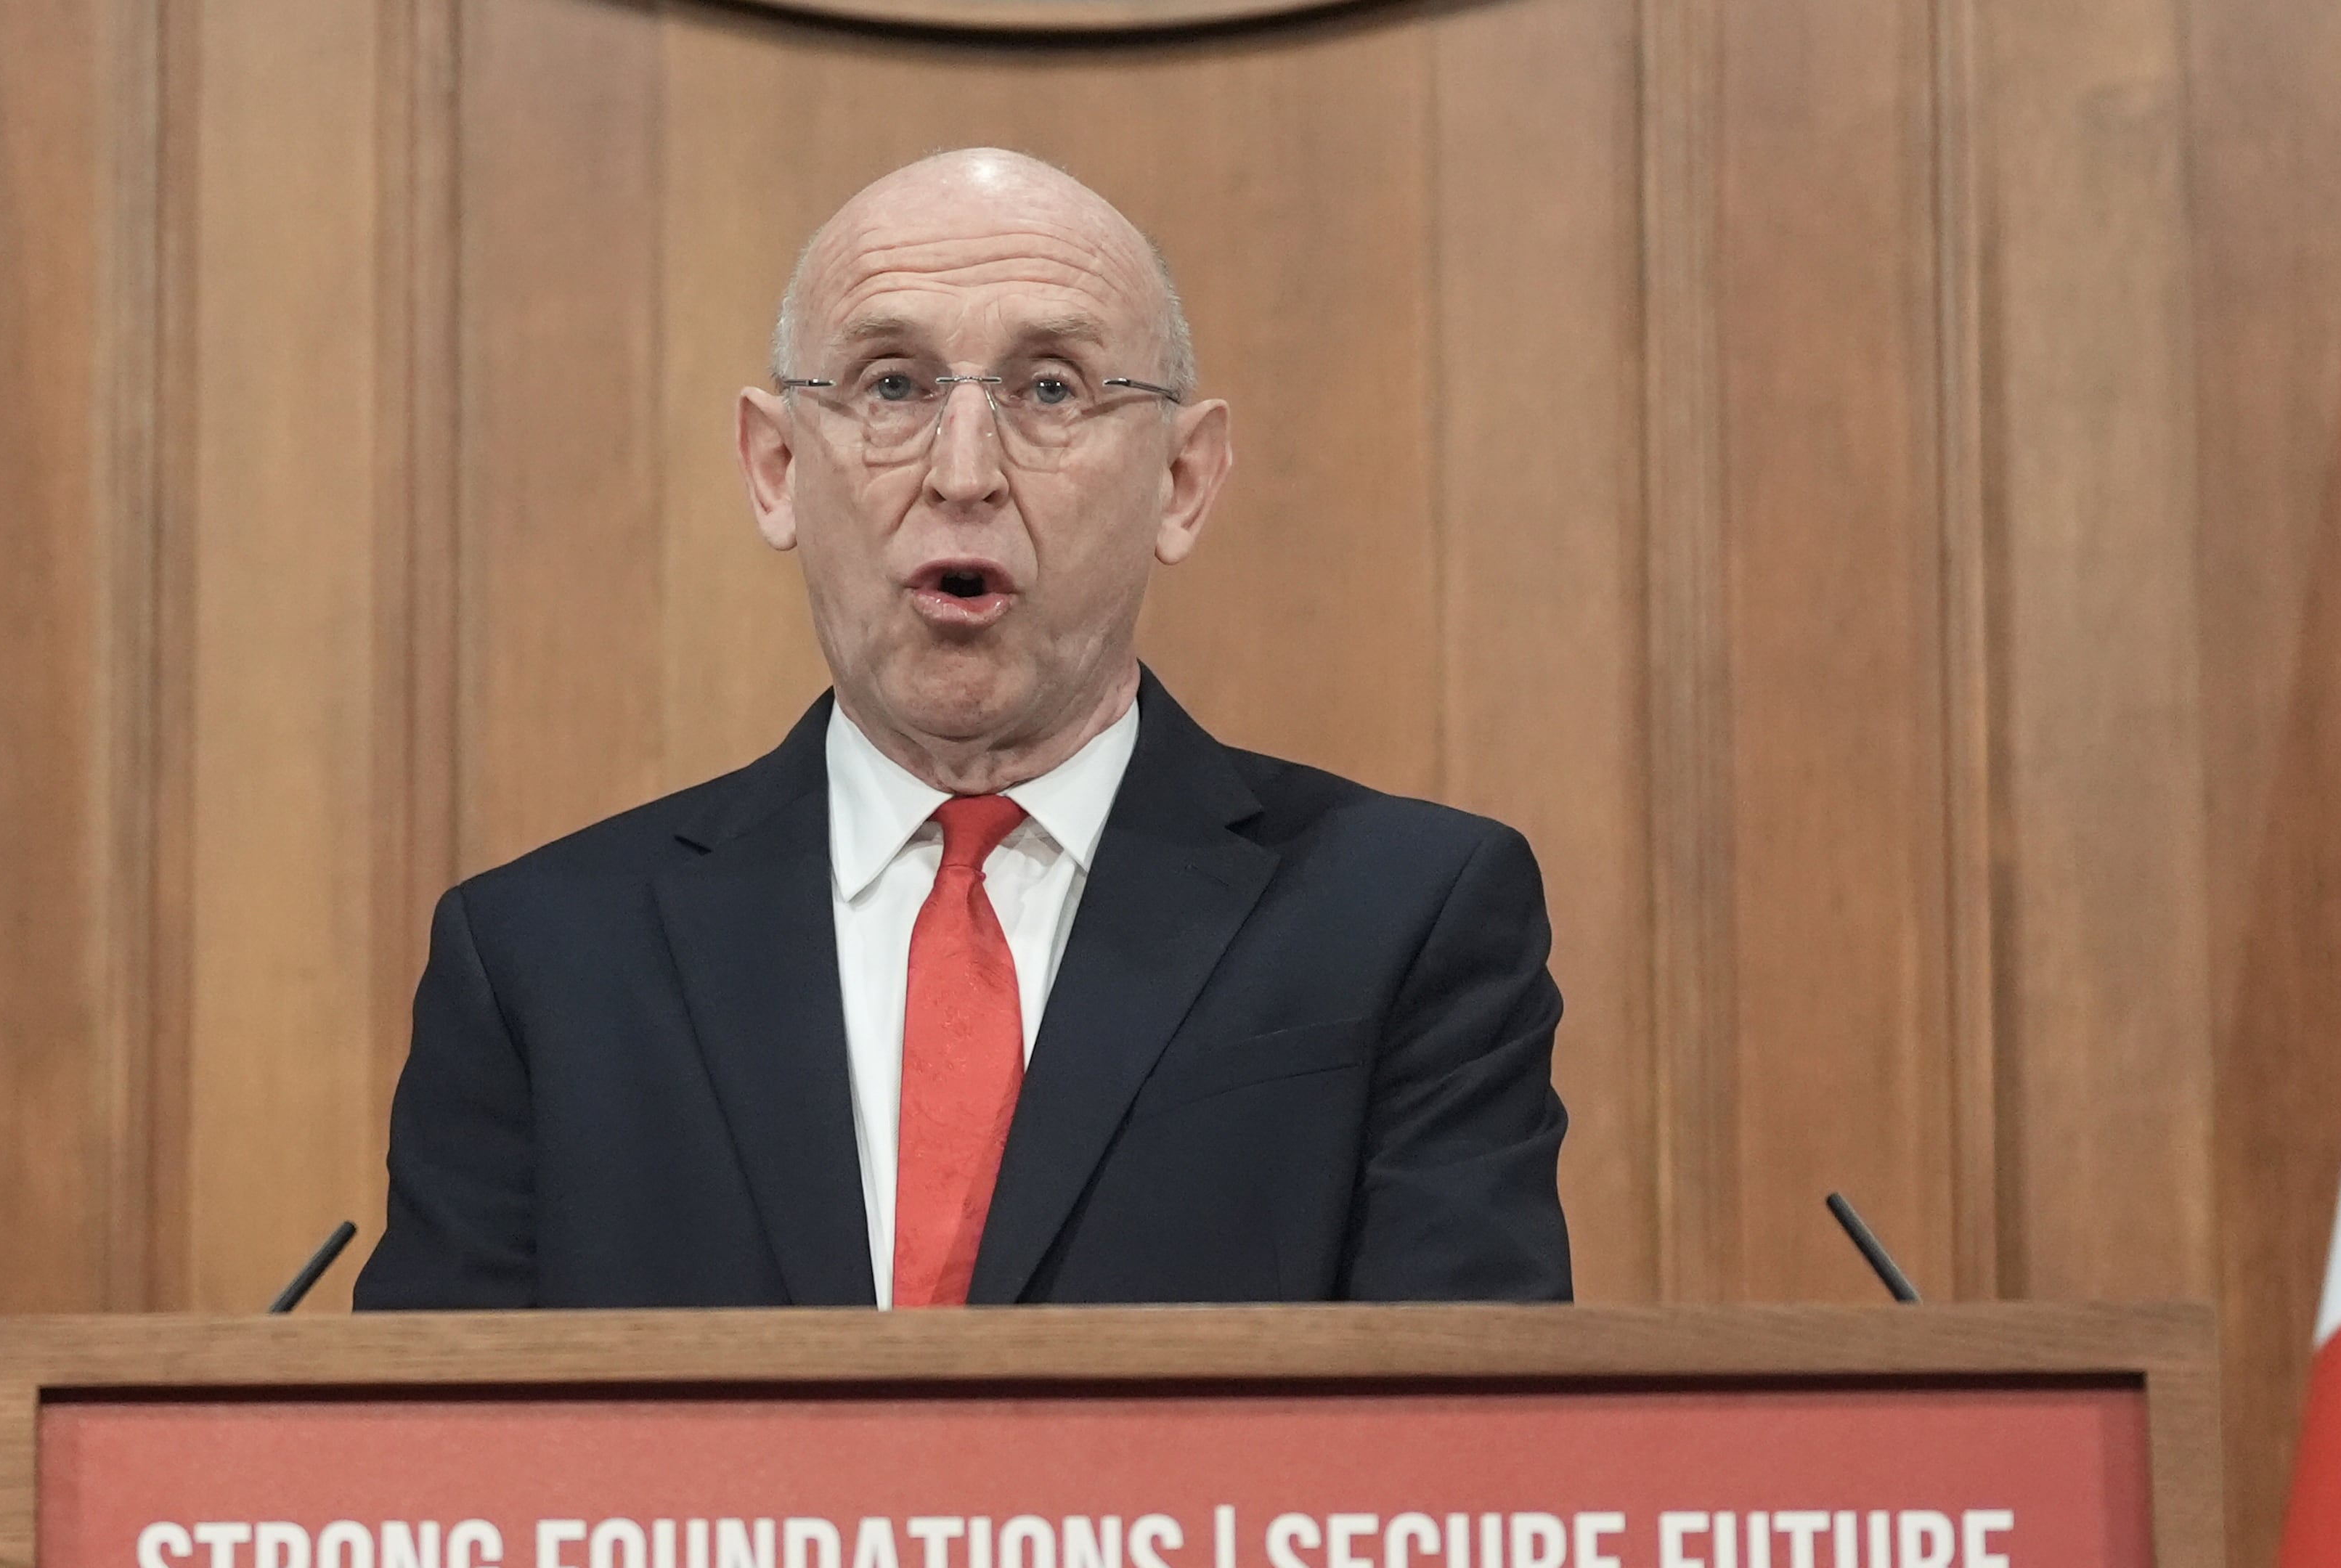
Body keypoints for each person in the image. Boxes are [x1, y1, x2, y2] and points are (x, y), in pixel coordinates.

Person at [355, 148, 1571, 1310]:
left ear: (1182, 482)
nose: (965, 470)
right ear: (776, 467)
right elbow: (438, 1478)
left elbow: (1470, 1452)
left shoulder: (1406, 917)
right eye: (894, 385)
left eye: (1051, 389)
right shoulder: (540, 959)